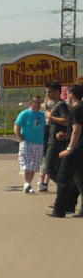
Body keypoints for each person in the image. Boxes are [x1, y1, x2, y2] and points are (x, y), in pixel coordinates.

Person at [47, 84, 83, 217]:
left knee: (62, 179)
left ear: (72, 94)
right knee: (79, 178)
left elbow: (77, 129)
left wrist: (69, 148)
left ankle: (60, 209)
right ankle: (71, 206)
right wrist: (66, 136)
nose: (66, 95)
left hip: (76, 150)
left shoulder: (76, 108)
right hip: (79, 148)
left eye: (68, 93)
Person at [15, 93, 46, 194]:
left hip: (39, 143)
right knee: (25, 163)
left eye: (40, 102)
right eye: (37, 102)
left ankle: (28, 184)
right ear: (31, 103)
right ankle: (26, 183)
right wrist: (21, 139)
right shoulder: (24, 114)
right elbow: (16, 127)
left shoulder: (42, 115)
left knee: (34, 165)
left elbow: (45, 127)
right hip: (26, 142)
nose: (39, 104)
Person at [42, 82, 68, 194]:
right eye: (46, 92)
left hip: (56, 141)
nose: (47, 94)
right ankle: (63, 191)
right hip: (52, 138)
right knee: (56, 168)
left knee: (49, 168)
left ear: (57, 91)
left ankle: (65, 188)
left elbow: (66, 121)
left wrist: (51, 117)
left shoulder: (61, 105)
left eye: (50, 91)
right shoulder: (55, 105)